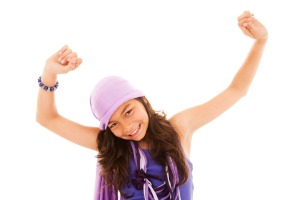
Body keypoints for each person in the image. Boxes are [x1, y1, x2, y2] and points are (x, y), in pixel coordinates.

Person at [36, 10, 268, 200]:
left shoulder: (179, 128)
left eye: (129, 111)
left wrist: (260, 41)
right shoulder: (109, 144)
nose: (127, 127)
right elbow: (47, 119)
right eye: (114, 123)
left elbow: (236, 91)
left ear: (143, 101)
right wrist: (49, 73)